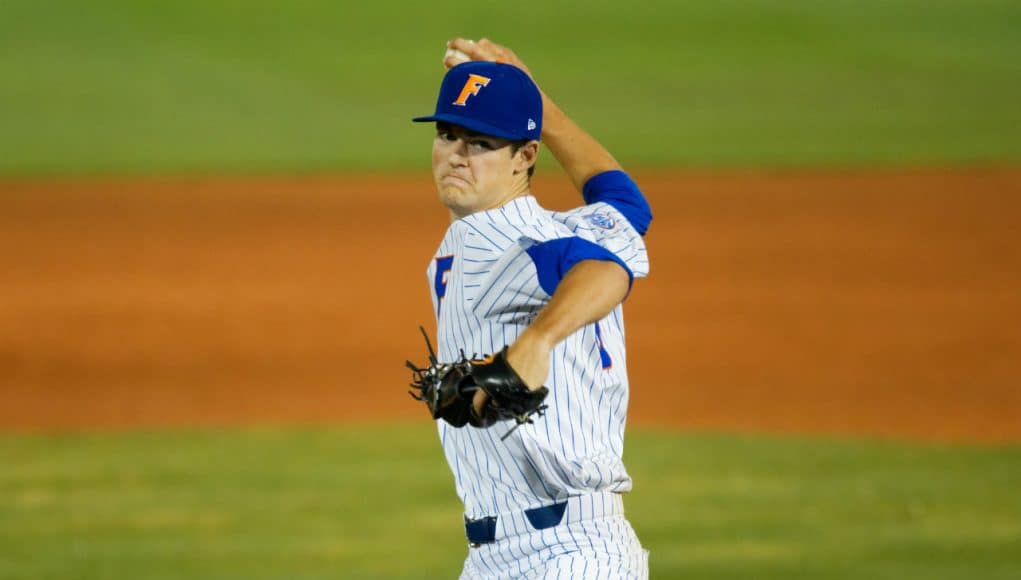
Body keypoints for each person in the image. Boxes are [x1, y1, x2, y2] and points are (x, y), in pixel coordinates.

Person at [411, 38, 652, 579]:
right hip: (507, 556)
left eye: (479, 143)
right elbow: (626, 202)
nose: (455, 153)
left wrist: (535, 342)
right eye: (447, 134)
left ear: (524, 156)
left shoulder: (502, 238)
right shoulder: (576, 222)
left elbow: (605, 272)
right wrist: (536, 100)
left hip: (566, 555)